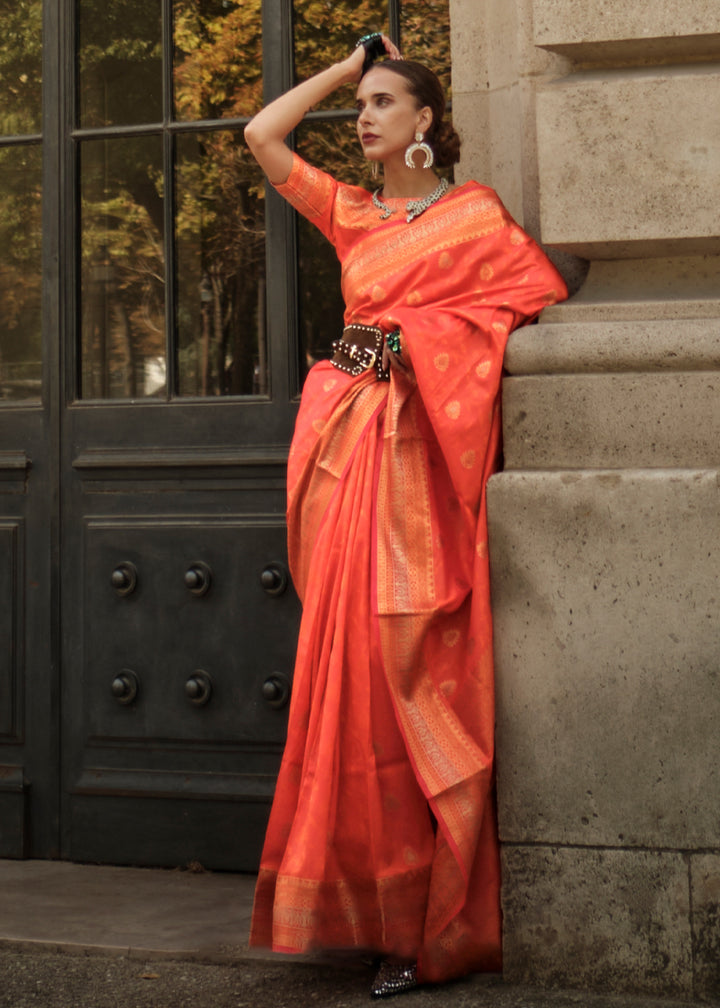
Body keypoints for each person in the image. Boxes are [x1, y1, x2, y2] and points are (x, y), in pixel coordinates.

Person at [244, 33, 567, 999]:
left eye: (386, 102)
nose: (366, 118)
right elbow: (263, 132)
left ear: (426, 121)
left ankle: (425, 924)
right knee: (344, 671)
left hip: (419, 464)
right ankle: (365, 911)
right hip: (347, 457)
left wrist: (414, 338)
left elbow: (531, 297)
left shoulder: (473, 216)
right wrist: (341, 70)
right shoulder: (351, 214)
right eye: (364, 104)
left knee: (410, 665)